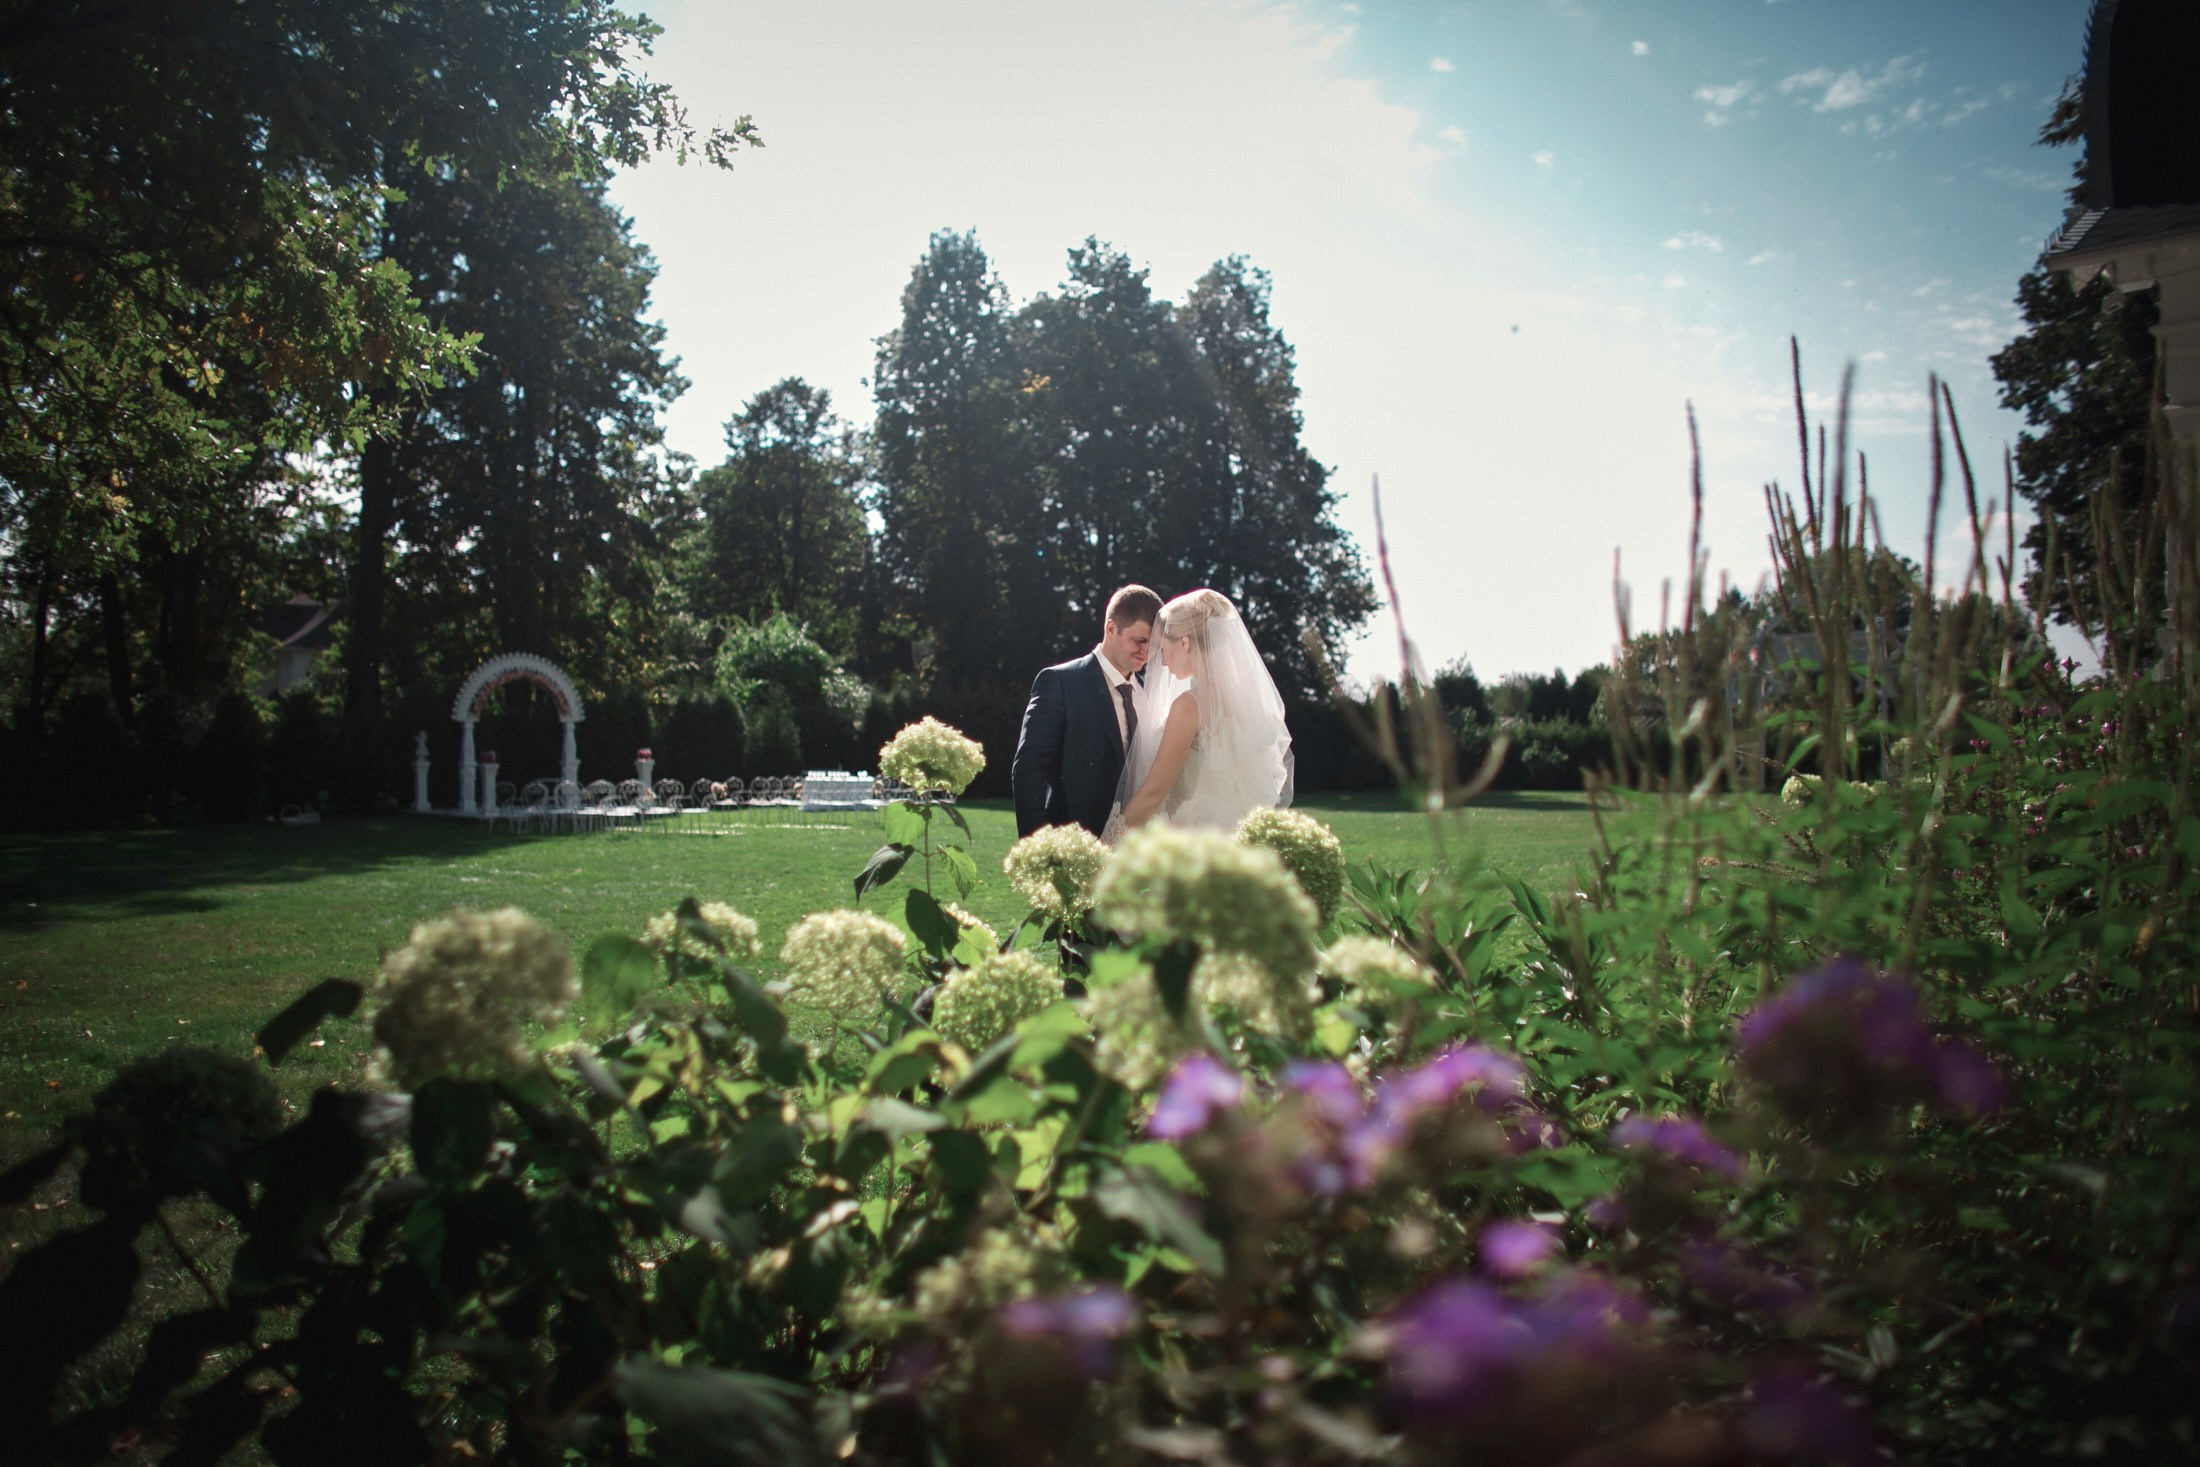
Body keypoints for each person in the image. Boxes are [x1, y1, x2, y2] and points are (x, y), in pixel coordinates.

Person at [1112, 587, 1293, 836]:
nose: (1162, 661)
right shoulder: (1244, 701)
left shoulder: (1189, 705)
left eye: (1164, 649)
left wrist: (1107, 844)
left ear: (1184, 643)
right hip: (1237, 833)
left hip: (1195, 836)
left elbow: (1153, 793)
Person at [1012, 584, 1162, 839]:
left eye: (1154, 643)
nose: (1146, 652)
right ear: (1111, 629)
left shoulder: (1151, 693)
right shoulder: (1060, 683)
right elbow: (1030, 769)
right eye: (1139, 640)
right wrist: (1038, 850)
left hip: (1139, 853)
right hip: (1078, 846)